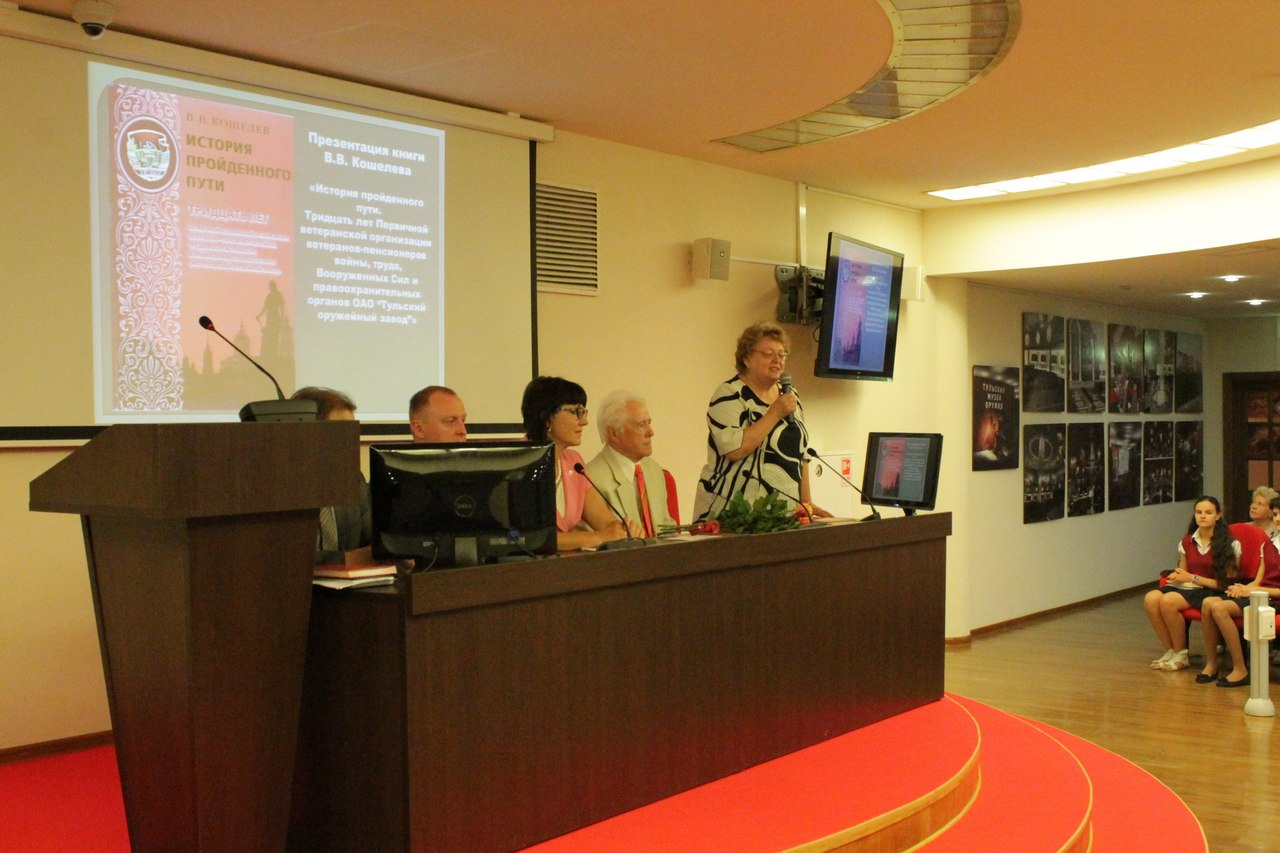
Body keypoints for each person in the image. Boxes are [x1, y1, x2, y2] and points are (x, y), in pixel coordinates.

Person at [692, 321, 830, 521]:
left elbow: (801, 452)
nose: (777, 360)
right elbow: (734, 450)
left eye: (782, 354)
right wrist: (774, 413)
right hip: (734, 514)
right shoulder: (729, 394)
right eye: (768, 353)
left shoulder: (789, 394)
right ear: (747, 358)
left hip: (783, 513)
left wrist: (807, 503)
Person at [520, 376, 642, 550]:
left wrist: (624, 530)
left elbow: (606, 523)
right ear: (546, 416)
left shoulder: (573, 463)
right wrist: (596, 537)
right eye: (576, 412)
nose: (584, 421)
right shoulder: (517, 462)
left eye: (584, 412)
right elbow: (528, 538)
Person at [1142, 495, 1240, 672]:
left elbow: (1226, 584)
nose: (1203, 516)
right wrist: (1177, 575)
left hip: (1212, 589)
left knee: (1169, 601)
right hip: (1190, 587)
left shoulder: (1231, 544)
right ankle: (1171, 650)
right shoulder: (1187, 541)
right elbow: (1183, 572)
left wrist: (1192, 578)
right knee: (1151, 598)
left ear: (1218, 515)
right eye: (1199, 512)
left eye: (1208, 512)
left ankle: (1182, 653)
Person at [290, 386, 372, 564]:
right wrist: (345, 559)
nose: (351, 441)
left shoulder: (353, 479)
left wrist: (393, 552)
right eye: (341, 432)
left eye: (353, 432)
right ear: (309, 434)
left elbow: (371, 538)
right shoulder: (282, 488)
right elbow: (287, 556)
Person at [1197, 525, 1280, 687]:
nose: (1278, 519)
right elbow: (1258, 580)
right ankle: (1211, 664)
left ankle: (1240, 669)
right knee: (1208, 603)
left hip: (1274, 599)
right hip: (1259, 595)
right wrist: (1242, 588)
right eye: (1276, 514)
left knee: (1219, 608)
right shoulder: (1268, 544)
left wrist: (1253, 590)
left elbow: (1264, 588)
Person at [585, 390, 677, 536]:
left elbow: (667, 529)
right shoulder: (592, 478)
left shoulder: (653, 470)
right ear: (614, 433)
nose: (651, 432)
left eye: (649, 423)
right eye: (641, 425)